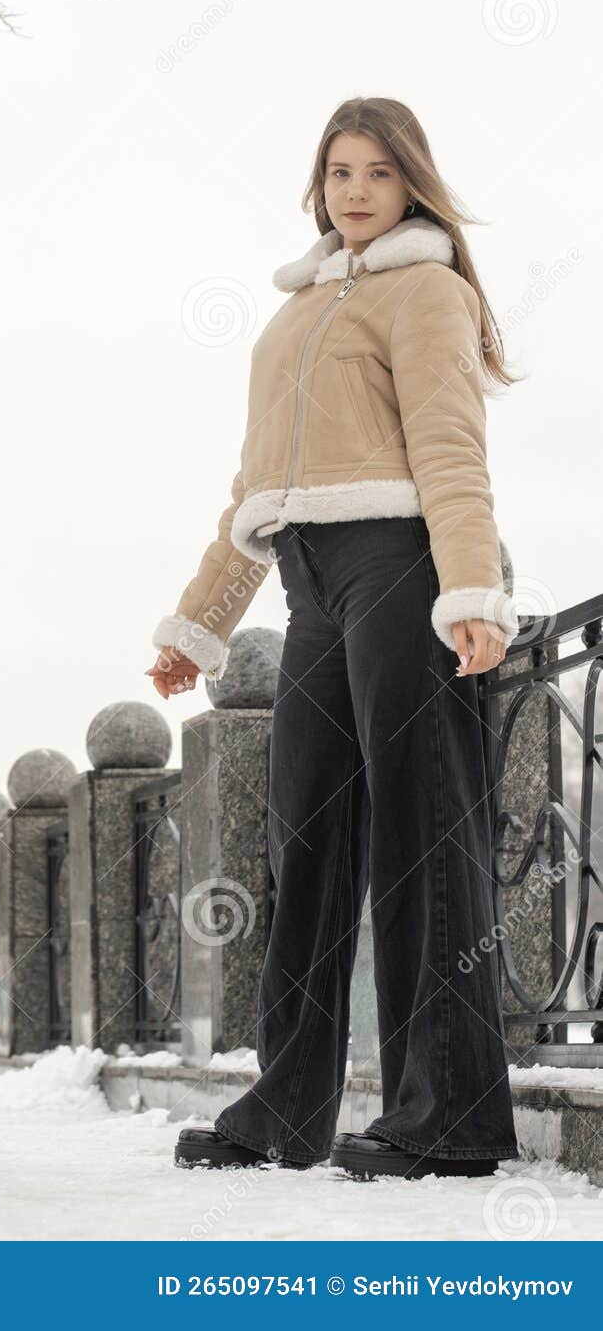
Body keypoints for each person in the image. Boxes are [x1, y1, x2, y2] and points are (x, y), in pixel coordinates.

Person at [145, 97, 524, 1181]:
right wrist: (201, 622)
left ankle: (444, 1114)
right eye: (336, 171)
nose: (353, 189)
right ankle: (284, 1109)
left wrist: (466, 591)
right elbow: (251, 488)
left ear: (411, 183)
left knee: (422, 837)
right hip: (311, 587)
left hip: (401, 568)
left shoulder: (427, 292)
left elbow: (450, 450)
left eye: (375, 171)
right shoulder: (294, 313)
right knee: (304, 843)